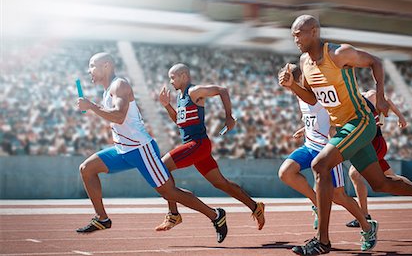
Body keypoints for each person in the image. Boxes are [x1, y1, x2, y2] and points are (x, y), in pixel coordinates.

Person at [278, 15, 412, 255]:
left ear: (314, 31)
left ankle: (322, 241)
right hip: (345, 127)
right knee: (380, 183)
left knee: (320, 165)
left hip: (360, 121)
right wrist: (292, 86)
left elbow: (376, 62)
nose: (294, 39)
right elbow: (313, 99)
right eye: (293, 34)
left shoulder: (338, 53)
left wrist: (379, 96)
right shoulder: (304, 61)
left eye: (298, 33)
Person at [76, 53, 228, 243]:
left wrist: (91, 106)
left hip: (141, 150)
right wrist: (94, 106)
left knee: (169, 192)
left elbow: (119, 116)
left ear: (106, 66)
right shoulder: (108, 90)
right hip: (123, 150)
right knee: (87, 169)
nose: (89, 70)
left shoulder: (119, 85)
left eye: (92, 65)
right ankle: (102, 218)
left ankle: (215, 215)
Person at [278, 64, 378, 252]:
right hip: (309, 146)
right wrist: (304, 129)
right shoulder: (300, 98)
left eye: (290, 79)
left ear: (300, 80)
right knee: (285, 172)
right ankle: (317, 203)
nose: (287, 85)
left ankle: (367, 226)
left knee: (338, 196)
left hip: (326, 152)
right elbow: (316, 118)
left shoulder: (315, 94)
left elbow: (329, 111)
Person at [156, 63, 265, 232]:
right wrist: (167, 106)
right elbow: (180, 122)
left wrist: (229, 117)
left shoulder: (195, 91)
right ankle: (255, 206)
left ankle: (173, 214)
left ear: (184, 76)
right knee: (221, 184)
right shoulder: (180, 97)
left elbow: (222, 90)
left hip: (198, 144)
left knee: (162, 167)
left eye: (173, 77)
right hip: (195, 147)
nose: (170, 81)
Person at [345, 89, 412, 227]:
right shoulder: (349, 102)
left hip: (374, 143)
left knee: (354, 174)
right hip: (366, 145)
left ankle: (364, 215)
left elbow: (387, 100)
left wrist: (400, 117)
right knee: (392, 176)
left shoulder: (369, 95)